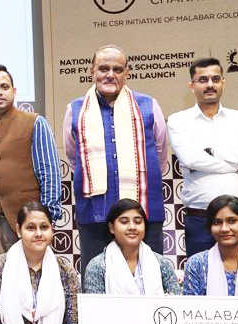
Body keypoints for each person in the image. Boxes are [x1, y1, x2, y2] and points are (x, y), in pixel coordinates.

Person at [63, 45, 168, 266]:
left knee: (149, 274)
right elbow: (74, 158)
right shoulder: (76, 110)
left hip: (144, 210)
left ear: (126, 73)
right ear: (92, 72)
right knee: (96, 276)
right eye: (103, 69)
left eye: (117, 69)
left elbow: (160, 153)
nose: (110, 75)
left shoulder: (149, 106)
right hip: (96, 210)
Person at [0, 64, 61, 275]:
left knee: (32, 284)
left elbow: (49, 173)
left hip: (29, 223)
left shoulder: (35, 123)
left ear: (14, 91)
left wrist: (47, 219)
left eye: (4, 87)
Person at [167, 58, 238, 255]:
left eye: (215, 79)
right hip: (201, 218)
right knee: (201, 274)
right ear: (192, 85)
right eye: (203, 79)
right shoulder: (179, 120)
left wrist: (213, 151)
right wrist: (237, 163)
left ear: (223, 82)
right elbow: (190, 159)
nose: (210, 84)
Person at [0, 202, 80, 324]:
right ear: (19, 230)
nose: (38, 233)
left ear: (52, 229)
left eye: (44, 227)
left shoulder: (64, 269)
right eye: (31, 228)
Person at [83, 199, 181, 295]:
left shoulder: (162, 264)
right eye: (124, 222)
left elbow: (175, 302)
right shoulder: (97, 266)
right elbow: (93, 305)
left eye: (138, 222)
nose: (132, 227)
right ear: (111, 227)